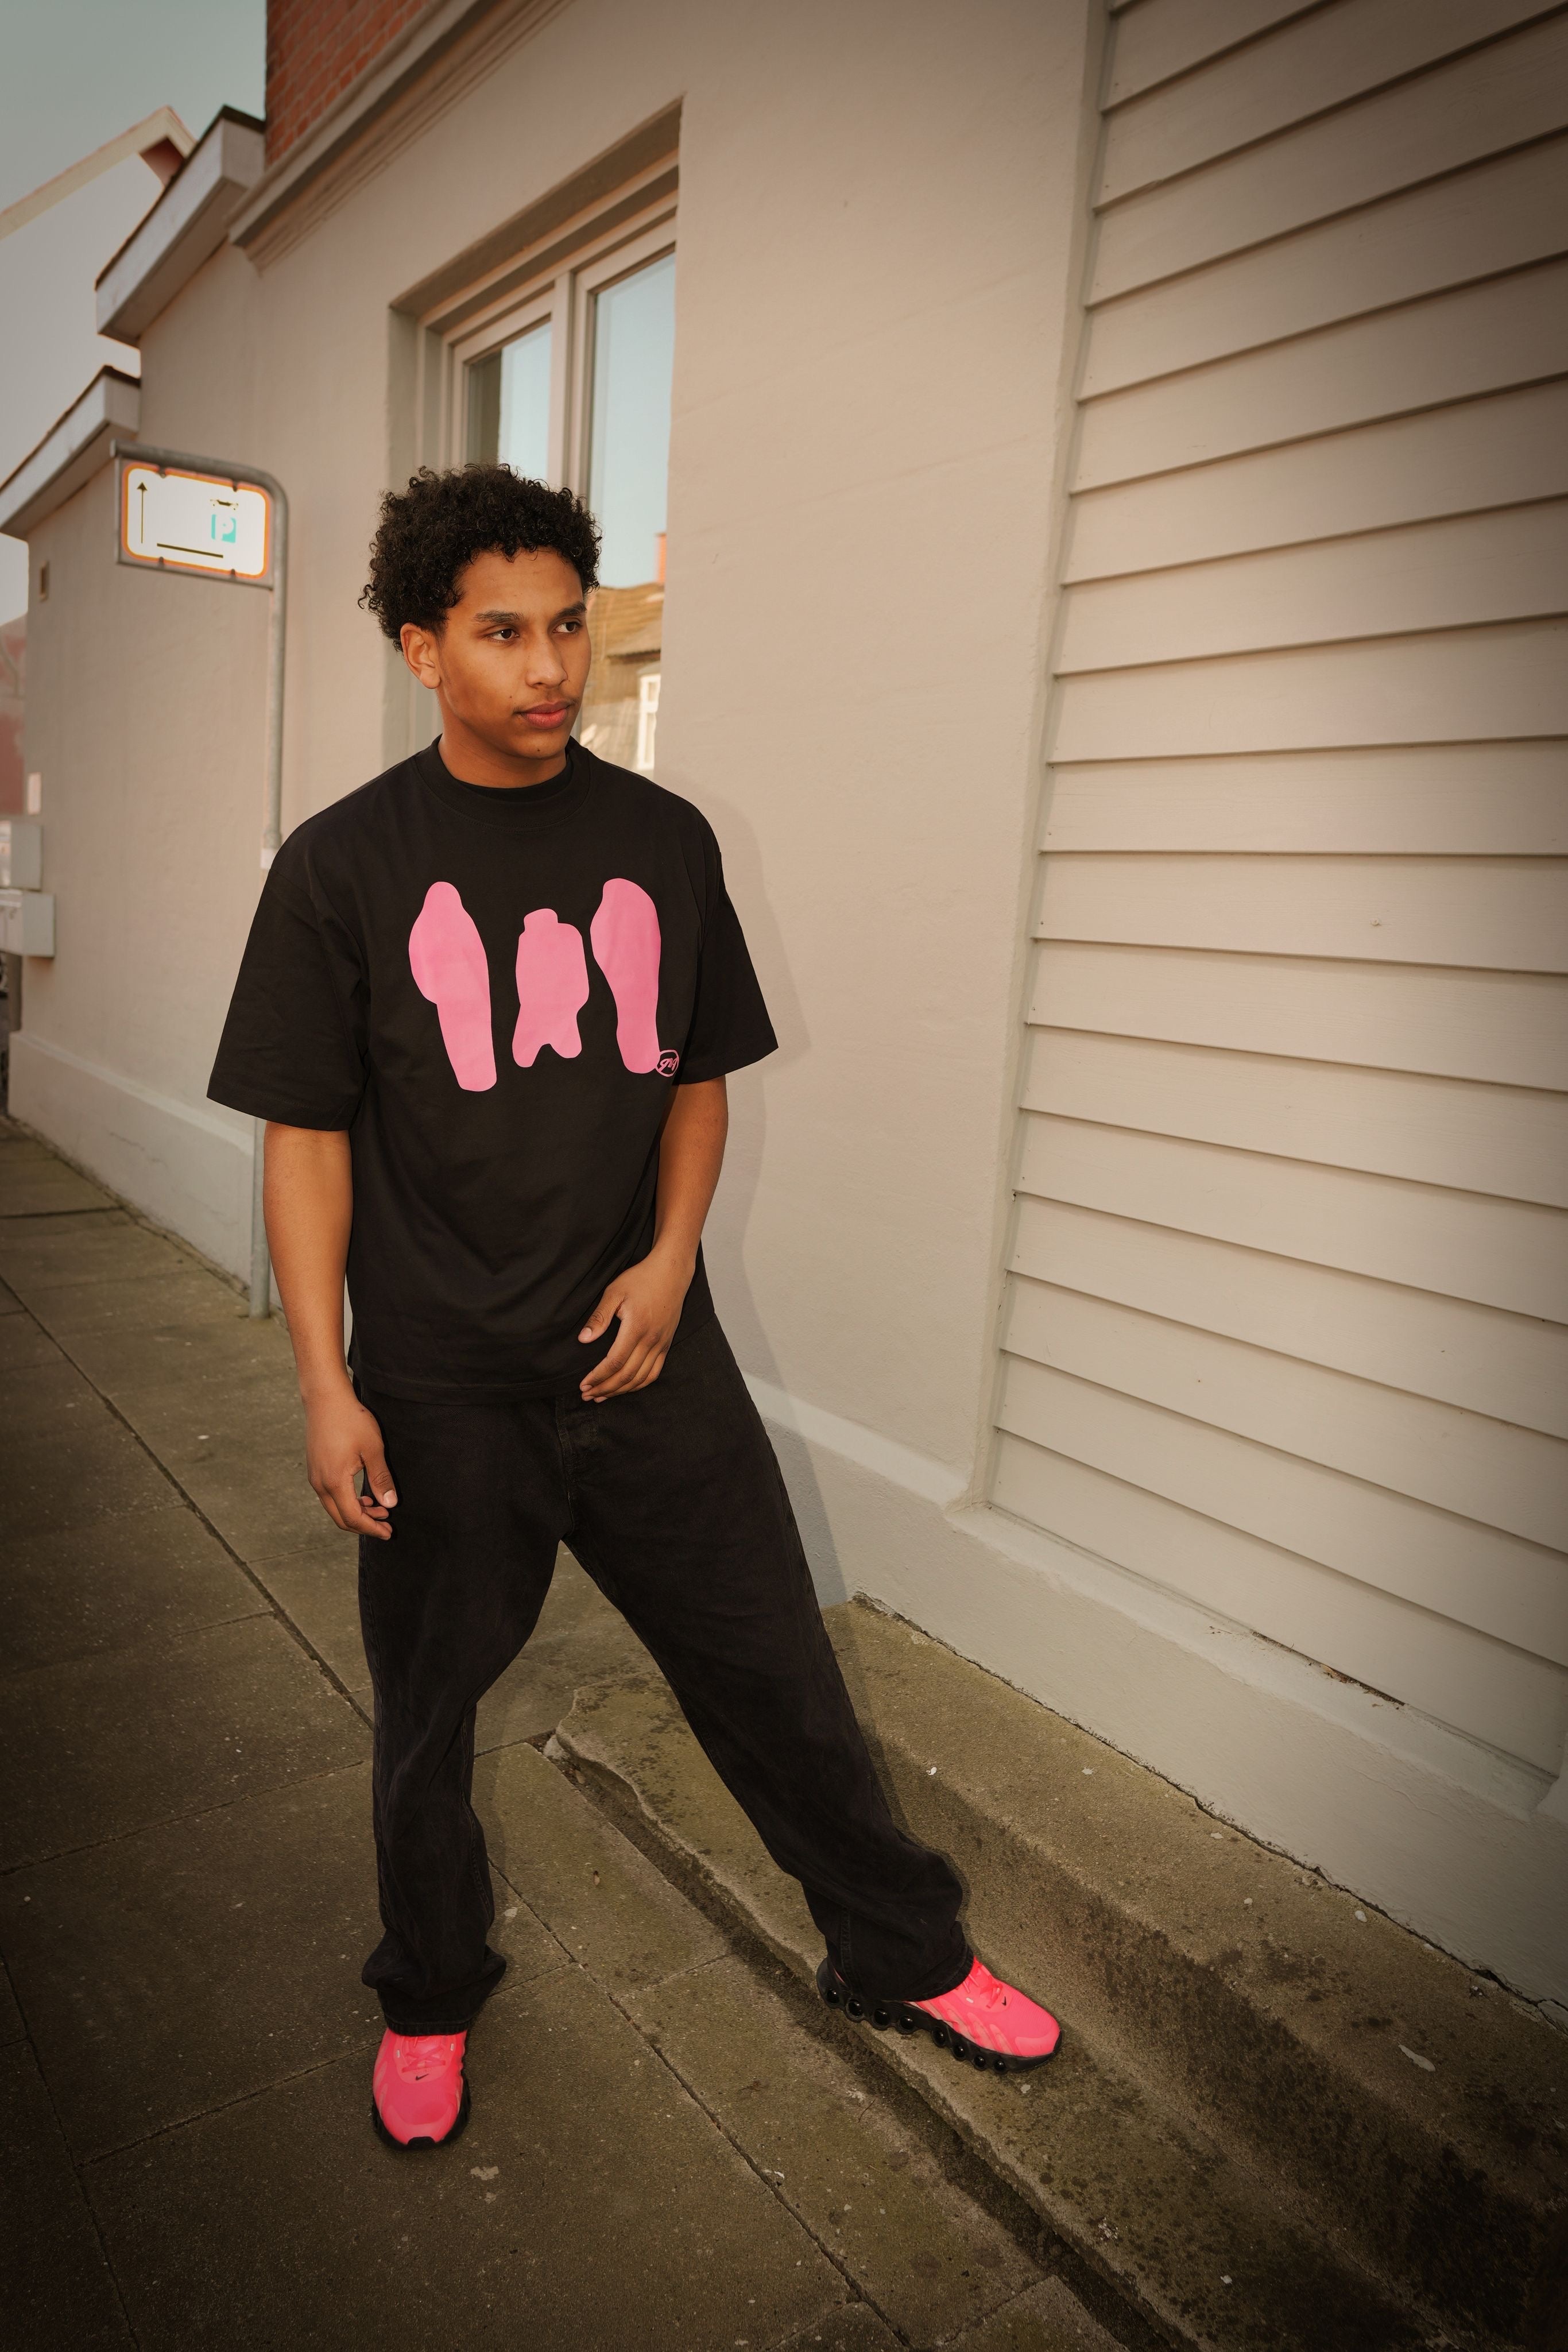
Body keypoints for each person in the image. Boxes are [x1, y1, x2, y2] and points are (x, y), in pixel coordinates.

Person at [208, 465, 1060, 2152]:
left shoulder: (664, 844)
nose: (548, 668)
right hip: (443, 1382)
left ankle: (899, 1949)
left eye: (567, 627)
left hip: (643, 1358)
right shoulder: (341, 867)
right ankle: (429, 1992)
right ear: (422, 649)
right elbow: (303, 1142)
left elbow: (692, 1080)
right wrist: (327, 1383)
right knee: (428, 1721)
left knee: (774, 1670)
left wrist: (672, 1261)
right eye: (500, 633)